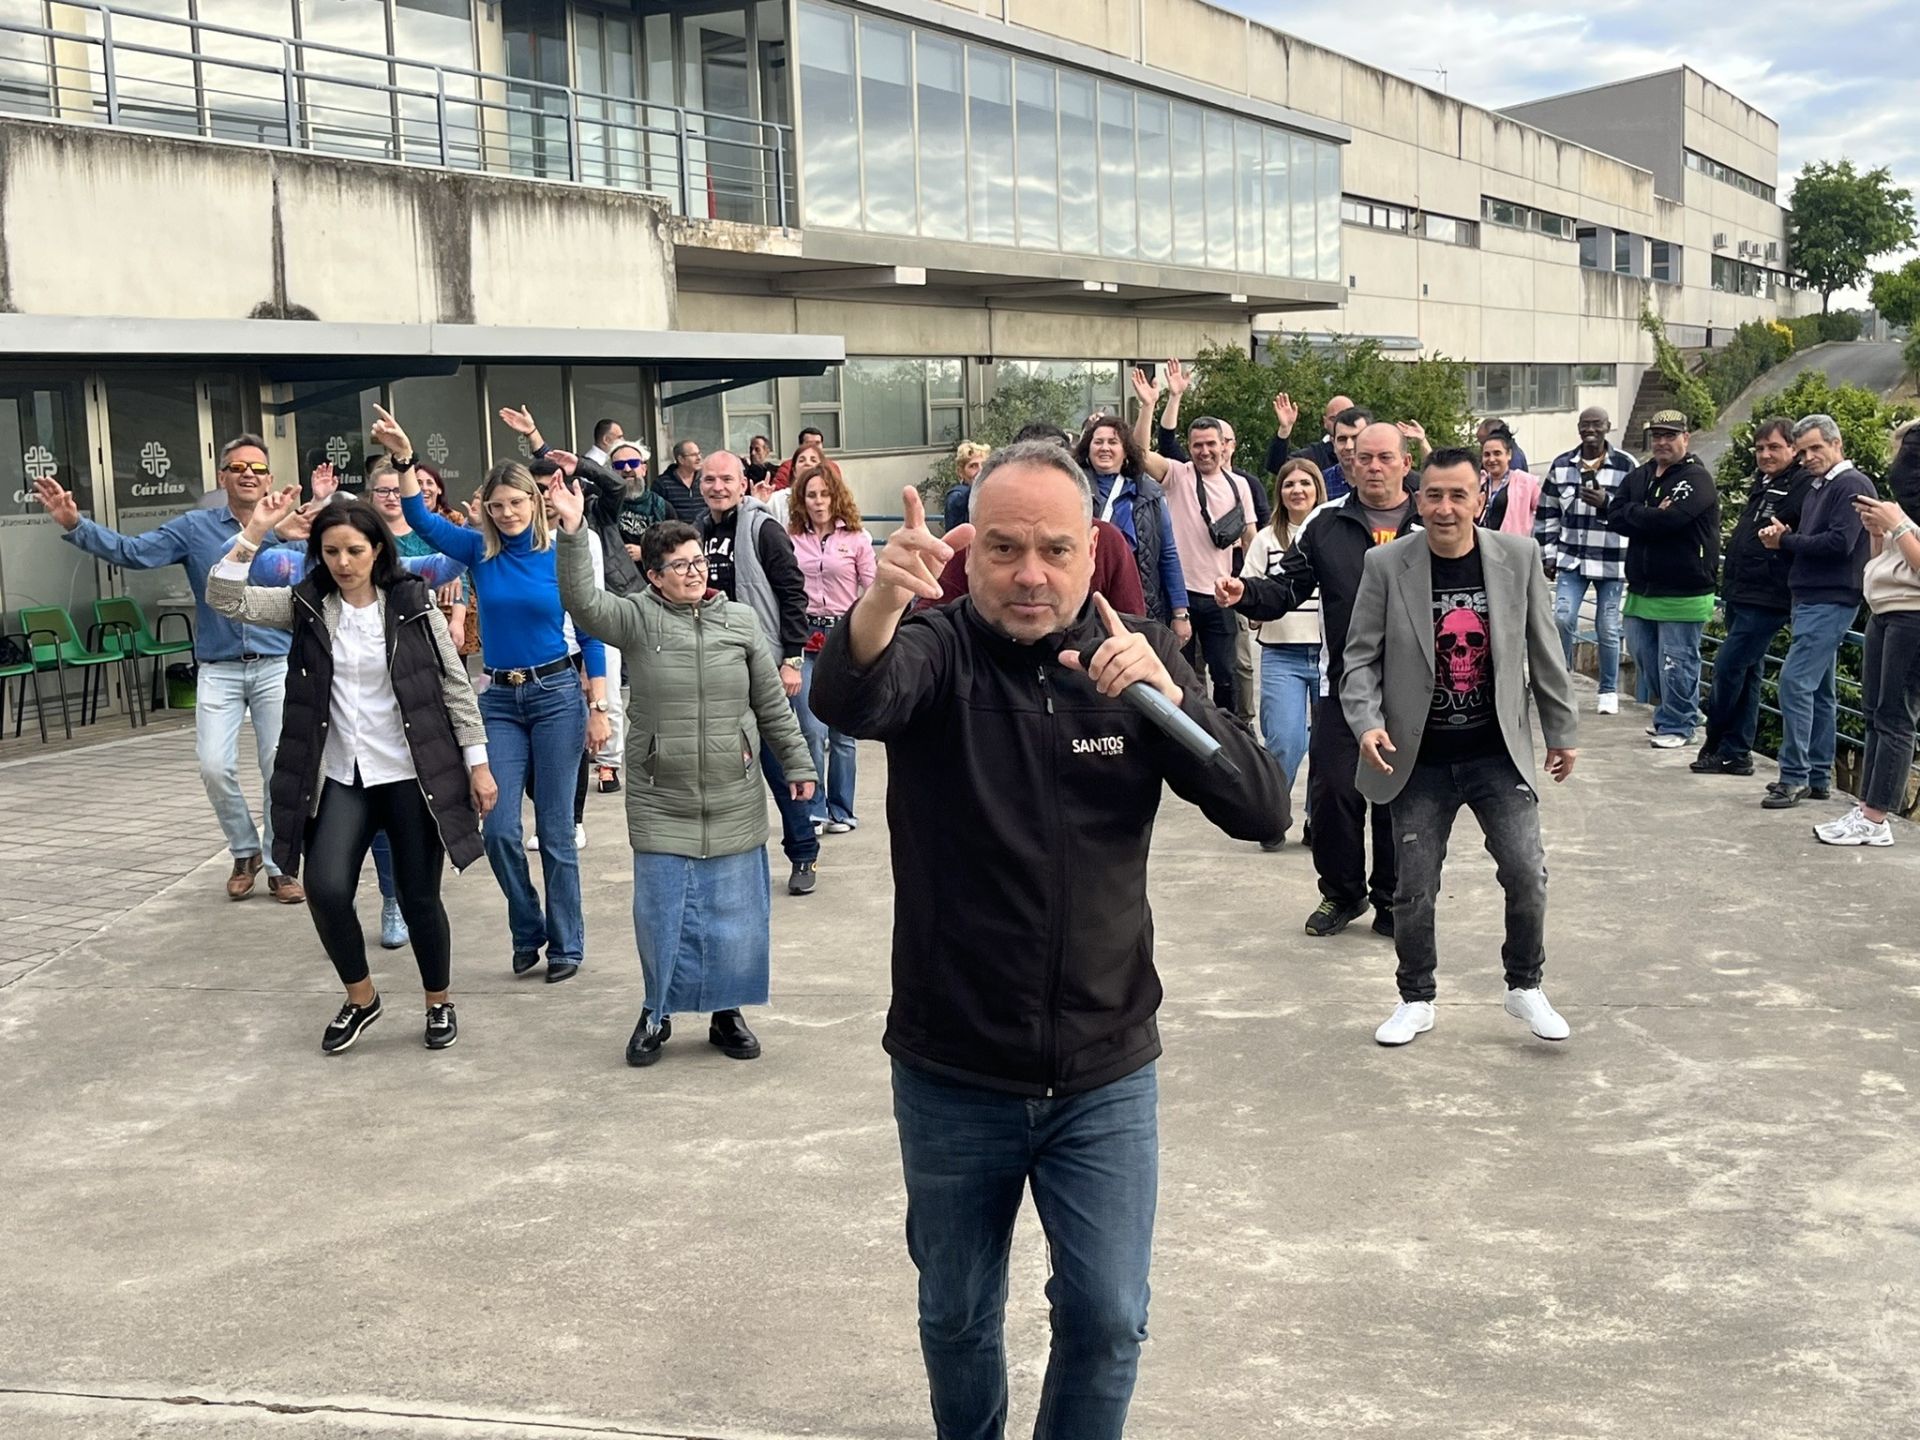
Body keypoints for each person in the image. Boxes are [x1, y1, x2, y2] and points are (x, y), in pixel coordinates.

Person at [808, 444, 1284, 1440]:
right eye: (1007, 549)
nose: (1033, 573)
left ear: (1091, 551)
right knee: (956, 1315)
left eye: (1056, 549)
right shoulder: (937, 649)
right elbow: (853, 699)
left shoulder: (1135, 655)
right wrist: (879, 607)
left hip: (1104, 1068)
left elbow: (1261, 809)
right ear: (969, 554)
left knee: (1110, 1318)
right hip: (954, 1068)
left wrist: (1171, 694)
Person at [203, 488, 493, 1051]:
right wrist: (254, 533)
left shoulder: (412, 602)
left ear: (377, 551)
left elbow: (456, 689)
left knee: (419, 897)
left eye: (354, 551)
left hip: (412, 775)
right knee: (326, 887)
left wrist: (478, 766)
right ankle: (362, 998)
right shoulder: (305, 603)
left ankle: (439, 1001)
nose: (343, 563)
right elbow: (225, 599)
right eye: (331, 552)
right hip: (343, 776)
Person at [549, 486, 816, 1065]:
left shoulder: (740, 622)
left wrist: (796, 762)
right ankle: (657, 1011)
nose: (693, 572)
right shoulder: (639, 620)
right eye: (678, 566)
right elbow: (582, 603)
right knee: (661, 912)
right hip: (660, 794)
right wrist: (572, 534)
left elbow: (771, 704)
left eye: (698, 561)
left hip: (733, 790)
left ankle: (727, 1013)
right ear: (654, 576)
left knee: (736, 915)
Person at [1343, 448, 1580, 1046]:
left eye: (1458, 495)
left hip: (1497, 752)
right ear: (1417, 500)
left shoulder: (1518, 557)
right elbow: (1359, 658)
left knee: (1527, 874)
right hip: (1417, 758)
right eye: (1433, 496)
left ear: (1481, 498)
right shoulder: (1386, 563)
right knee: (1414, 887)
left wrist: (1561, 731)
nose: (1445, 508)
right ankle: (1415, 997)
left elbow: (1545, 650)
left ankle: (1525, 986)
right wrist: (1366, 722)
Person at [378, 405, 608, 984]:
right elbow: (418, 517)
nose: (507, 514)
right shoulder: (480, 552)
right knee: (499, 828)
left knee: (555, 832)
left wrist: (598, 706)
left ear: (535, 502)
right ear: (486, 508)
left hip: (557, 694)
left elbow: (590, 627)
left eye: (517, 503)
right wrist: (405, 460)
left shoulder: (561, 553)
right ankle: (527, 926)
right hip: (499, 702)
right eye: (497, 505)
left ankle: (567, 943)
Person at [32, 443, 308, 904]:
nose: (247, 474)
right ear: (222, 478)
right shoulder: (195, 527)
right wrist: (74, 525)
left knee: (279, 767)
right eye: (236, 467)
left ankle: (280, 864)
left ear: (268, 478)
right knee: (213, 767)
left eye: (256, 468)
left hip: (275, 662)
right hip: (218, 667)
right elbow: (132, 552)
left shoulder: (288, 527)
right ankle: (245, 850)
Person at [1219, 421, 1420, 935]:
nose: (1372, 466)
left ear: (1404, 462)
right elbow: (1288, 587)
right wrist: (1247, 593)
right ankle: (1341, 895)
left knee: (1400, 801)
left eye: (1383, 458)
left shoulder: (1429, 519)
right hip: (1345, 687)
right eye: (1362, 457)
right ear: (1349, 463)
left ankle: (1393, 901)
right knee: (1333, 793)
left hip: (1415, 691)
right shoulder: (1326, 524)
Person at [696, 451, 821, 895]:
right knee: (720, 770)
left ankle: (803, 853)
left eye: (726, 479)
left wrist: (792, 659)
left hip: (763, 665)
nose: (717, 487)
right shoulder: (698, 530)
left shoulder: (763, 528)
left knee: (778, 763)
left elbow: (793, 594)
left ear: (743, 483)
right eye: (709, 479)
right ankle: (730, 861)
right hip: (713, 667)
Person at [1757, 413, 1874, 808]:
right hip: (1812, 597)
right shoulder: (1822, 487)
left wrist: (1786, 543)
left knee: (1794, 682)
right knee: (1820, 691)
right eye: (1803, 450)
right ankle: (1819, 775)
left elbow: (1839, 543)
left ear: (1836, 444)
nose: (1807, 457)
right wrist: (1787, 538)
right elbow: (1820, 540)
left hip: (1831, 597)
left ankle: (1794, 777)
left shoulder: (1851, 484)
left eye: (1815, 449)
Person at [1134, 359, 1257, 712]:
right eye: (1197, 445)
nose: (1204, 451)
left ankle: (1231, 732)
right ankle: (1191, 734)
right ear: (1190, 447)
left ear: (1225, 446)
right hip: (1181, 594)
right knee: (1183, 675)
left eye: (1211, 444)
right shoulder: (1178, 475)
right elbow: (1140, 455)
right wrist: (1151, 405)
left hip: (1220, 594)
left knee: (1226, 674)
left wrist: (1251, 592)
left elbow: (1250, 539)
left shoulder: (1241, 486)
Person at [1819, 424, 1920, 846]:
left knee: (1896, 717)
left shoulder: (1907, 508)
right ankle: (1867, 810)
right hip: (1884, 610)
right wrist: (1880, 534)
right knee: (1875, 713)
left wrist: (1897, 526)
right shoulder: (1907, 505)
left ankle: (1877, 817)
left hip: (1912, 617)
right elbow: (1890, 560)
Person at [1692, 417, 1809, 777]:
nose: (1765, 454)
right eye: (1760, 448)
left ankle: (1715, 742)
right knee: (1748, 673)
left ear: (1793, 449)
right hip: (1742, 591)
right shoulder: (1764, 482)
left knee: (1728, 667)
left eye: (1774, 447)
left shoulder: (1802, 485)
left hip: (1768, 595)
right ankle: (1737, 752)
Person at [1607, 410, 1719, 748]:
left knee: (1677, 660)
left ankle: (1678, 723)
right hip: (1642, 587)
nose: (1662, 442)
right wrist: (1649, 513)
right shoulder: (1640, 476)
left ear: (1686, 437)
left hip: (1684, 588)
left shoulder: (1696, 479)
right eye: (1656, 436)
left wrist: (1640, 515)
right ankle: (1681, 710)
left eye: (1670, 435)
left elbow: (1671, 522)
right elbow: (1615, 515)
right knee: (1644, 657)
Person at [1242, 458, 1326, 850]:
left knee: (1328, 745)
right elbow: (1249, 588)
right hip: (1282, 654)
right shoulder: (1265, 539)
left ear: (1317, 490)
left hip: (1328, 654)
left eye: (1305, 484)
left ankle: (1318, 820)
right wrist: (1251, 611)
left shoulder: (1331, 531)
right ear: (1280, 493)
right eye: (1289, 484)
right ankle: (1272, 816)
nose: (1297, 490)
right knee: (1285, 741)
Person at [788, 459, 875, 833]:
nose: (819, 502)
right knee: (811, 727)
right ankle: (817, 805)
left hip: (843, 635)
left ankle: (842, 808)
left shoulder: (857, 538)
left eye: (825, 494)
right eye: (811, 495)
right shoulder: (791, 538)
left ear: (835, 497)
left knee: (844, 731)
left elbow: (872, 589)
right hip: (804, 635)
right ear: (802, 500)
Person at [1534, 406, 1635, 714]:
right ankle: (1561, 683)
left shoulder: (1627, 465)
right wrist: (1547, 555)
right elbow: (1547, 513)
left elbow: (1637, 510)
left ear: (1608, 427)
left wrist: (1609, 503)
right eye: (1585, 425)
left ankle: (1607, 690)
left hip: (1611, 558)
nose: (1590, 430)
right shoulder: (1563, 465)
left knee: (1606, 625)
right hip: (1572, 557)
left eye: (1597, 425)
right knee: (1562, 618)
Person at [1076, 404, 1189, 641]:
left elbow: (1167, 553)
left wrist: (1180, 613)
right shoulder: (1073, 490)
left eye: (1113, 442)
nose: (1105, 447)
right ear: (1088, 449)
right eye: (1098, 442)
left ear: (1126, 451)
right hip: (1084, 602)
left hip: (1139, 600)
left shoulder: (1149, 493)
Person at [1262, 391, 1351, 477]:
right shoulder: (1314, 456)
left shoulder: (1363, 449)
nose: (1339, 424)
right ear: (1325, 422)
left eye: (1346, 418)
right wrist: (1285, 429)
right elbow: (1277, 467)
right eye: (1333, 418)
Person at [1479, 427, 1541, 535]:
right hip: (1481, 545)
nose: (1491, 459)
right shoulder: (1479, 482)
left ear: (1508, 455)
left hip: (1511, 546)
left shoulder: (1526, 482)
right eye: (1487, 455)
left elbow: (1546, 513)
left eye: (1497, 453)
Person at [654, 439, 707, 524]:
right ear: (681, 459)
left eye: (699, 454)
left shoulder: (705, 480)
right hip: (677, 535)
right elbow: (657, 515)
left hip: (704, 533)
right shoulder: (662, 484)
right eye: (693, 455)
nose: (699, 458)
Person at [944, 440, 991, 534]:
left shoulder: (993, 492)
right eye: (973, 466)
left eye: (984, 465)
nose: (980, 470)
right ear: (961, 472)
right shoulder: (958, 497)